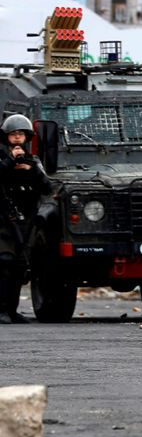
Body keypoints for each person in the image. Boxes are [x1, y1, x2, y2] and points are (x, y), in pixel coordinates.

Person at [0, 114, 52, 324]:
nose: (17, 138)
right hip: (4, 220)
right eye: (13, 134)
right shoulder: (2, 158)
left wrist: (33, 171)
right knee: (4, 263)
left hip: (26, 221)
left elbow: (47, 187)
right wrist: (9, 162)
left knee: (20, 267)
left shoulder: (33, 161)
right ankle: (1, 310)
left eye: (21, 134)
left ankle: (12, 310)